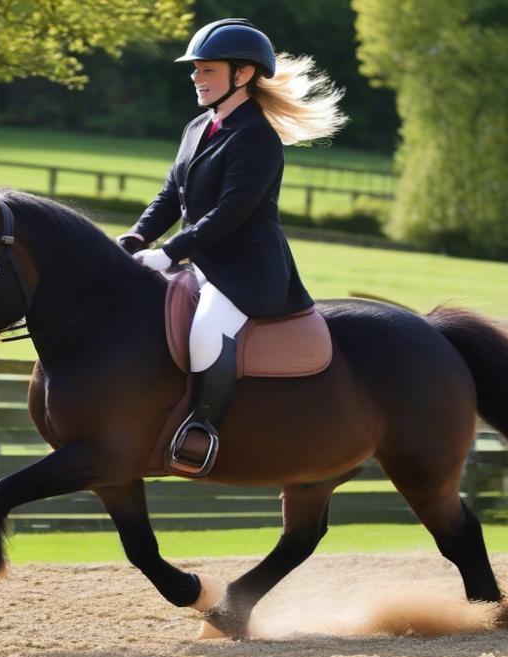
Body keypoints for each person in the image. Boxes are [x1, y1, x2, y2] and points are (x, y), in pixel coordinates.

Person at [117, 18, 347, 474]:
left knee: (206, 332)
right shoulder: (199, 127)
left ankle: (201, 428)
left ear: (242, 75)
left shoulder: (257, 138)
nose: (196, 78)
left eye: (207, 70)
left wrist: (169, 252)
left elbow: (230, 214)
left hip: (245, 273)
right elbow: (170, 194)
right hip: (200, 262)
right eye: (195, 70)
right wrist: (138, 236)